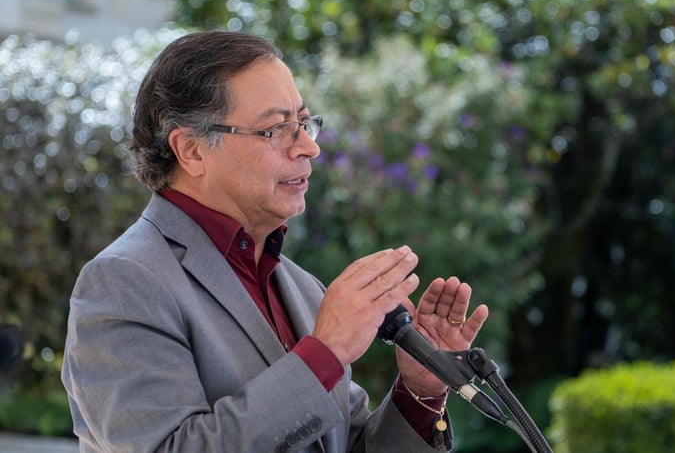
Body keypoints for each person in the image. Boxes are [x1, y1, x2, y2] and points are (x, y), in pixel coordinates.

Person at [61, 30, 489, 452]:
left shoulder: (303, 288)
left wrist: (418, 393)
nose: (308, 148)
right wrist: (324, 353)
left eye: (303, 123)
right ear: (191, 150)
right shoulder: (122, 281)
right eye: (276, 128)